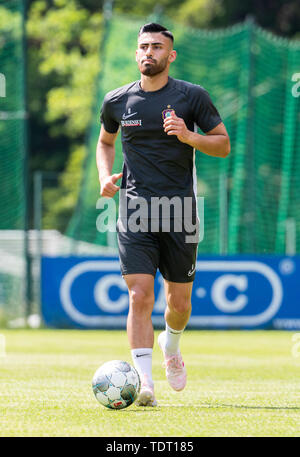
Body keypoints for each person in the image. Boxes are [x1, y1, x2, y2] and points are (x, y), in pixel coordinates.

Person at [97, 23, 230, 406]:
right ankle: (144, 383)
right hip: (135, 209)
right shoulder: (117, 101)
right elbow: (105, 142)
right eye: (143, 46)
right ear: (136, 53)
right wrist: (105, 177)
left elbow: (223, 145)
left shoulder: (192, 97)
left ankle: (171, 344)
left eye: (157, 47)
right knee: (139, 295)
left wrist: (190, 137)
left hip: (180, 212)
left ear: (170, 55)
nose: (148, 53)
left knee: (180, 305)